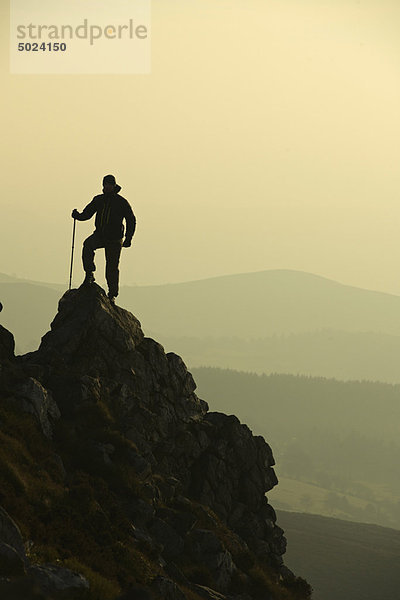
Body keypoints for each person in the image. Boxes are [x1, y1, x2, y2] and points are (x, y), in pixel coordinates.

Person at [71, 174, 136, 303]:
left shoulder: (121, 202)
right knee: (88, 245)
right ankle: (90, 274)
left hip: (115, 239)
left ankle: (112, 295)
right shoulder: (98, 200)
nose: (107, 187)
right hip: (100, 235)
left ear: (114, 186)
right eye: (105, 184)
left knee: (111, 267)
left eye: (109, 184)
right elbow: (87, 213)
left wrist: (128, 238)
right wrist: (78, 216)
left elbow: (131, 219)